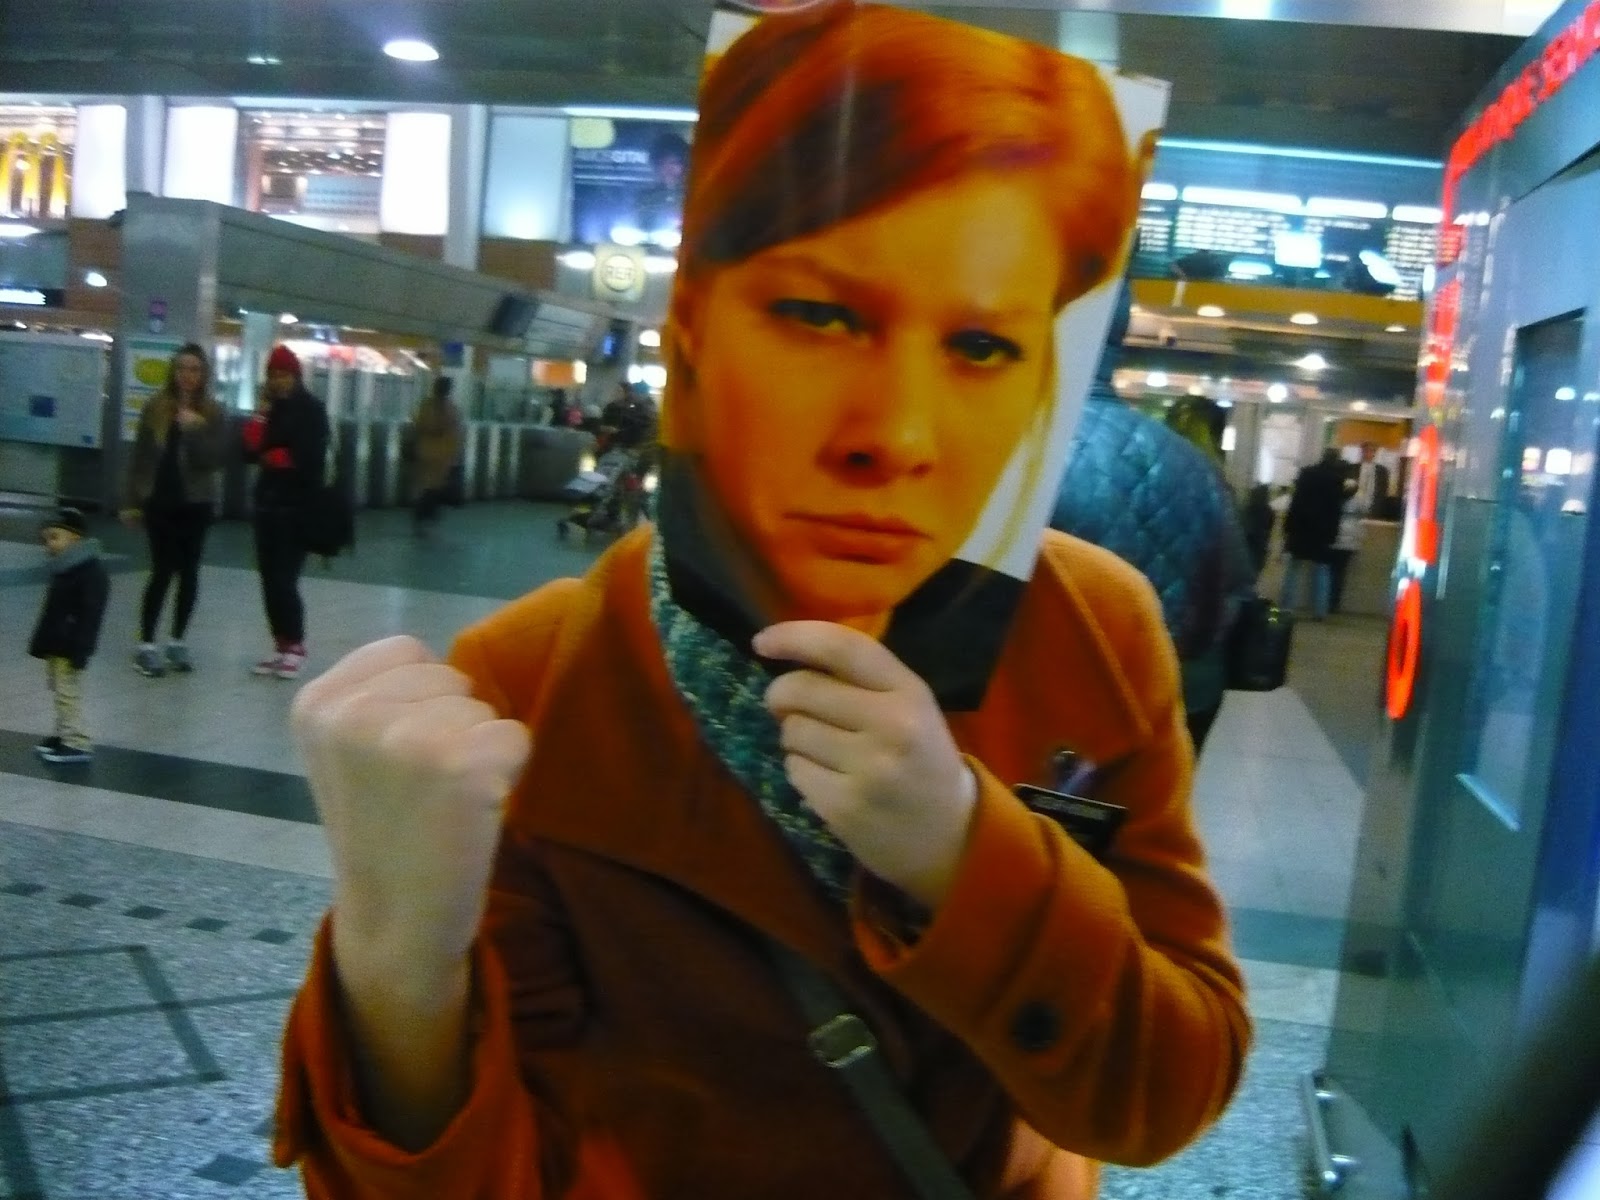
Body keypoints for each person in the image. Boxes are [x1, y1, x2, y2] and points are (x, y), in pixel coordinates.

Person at [275, 6, 1248, 1198]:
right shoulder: (536, 687)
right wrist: (394, 948)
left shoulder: (1087, 627)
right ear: (692, 331)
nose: (893, 436)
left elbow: (1164, 1091)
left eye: (982, 347)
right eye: (821, 316)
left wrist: (963, 852)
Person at [1052, 283, 1255, 757]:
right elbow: (1234, 590)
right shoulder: (1192, 463)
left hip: (1040, 708)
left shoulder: (1008, 445)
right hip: (1167, 698)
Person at [120, 342, 228, 677]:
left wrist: (195, 429)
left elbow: (213, 460)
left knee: (190, 571)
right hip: (160, 500)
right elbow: (141, 457)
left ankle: (177, 640)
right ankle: (146, 645)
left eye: (195, 369)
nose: (187, 375)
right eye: (182, 368)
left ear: (204, 374)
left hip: (196, 503)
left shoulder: (213, 412)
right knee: (162, 569)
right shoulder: (155, 407)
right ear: (173, 371)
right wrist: (131, 502)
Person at [242, 344, 328, 680]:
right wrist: (260, 414)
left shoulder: (312, 410)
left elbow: (309, 459)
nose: (279, 381)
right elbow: (249, 450)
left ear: (296, 376)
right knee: (267, 578)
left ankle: (296, 645)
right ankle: (280, 643)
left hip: (297, 508)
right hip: (267, 505)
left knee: (284, 578)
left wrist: (276, 457)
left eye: (284, 375)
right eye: (274, 375)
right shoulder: (271, 410)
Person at [29, 508, 110, 765]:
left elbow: (91, 616)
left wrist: (81, 648)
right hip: (57, 643)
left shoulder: (89, 573)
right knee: (60, 691)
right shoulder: (66, 568)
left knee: (67, 693)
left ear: (75, 538)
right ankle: (63, 733)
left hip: (69, 645)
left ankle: (76, 742)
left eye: (54, 537)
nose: (49, 544)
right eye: (46, 539)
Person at [1280, 448, 1349, 621]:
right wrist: (1333, 533)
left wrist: (1288, 527)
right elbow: (1336, 510)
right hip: (1323, 532)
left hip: (1302, 528)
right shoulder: (1337, 480)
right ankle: (1320, 611)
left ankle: (1286, 608)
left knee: (1293, 569)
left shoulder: (1307, 473)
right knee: (1322, 570)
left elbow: (1295, 502)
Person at [408, 377, 464, 535]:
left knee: (426, 488)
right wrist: (456, 454)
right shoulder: (451, 409)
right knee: (433, 489)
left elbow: (417, 427)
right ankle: (425, 517)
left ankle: (422, 518)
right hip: (441, 457)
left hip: (427, 453)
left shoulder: (426, 406)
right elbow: (454, 433)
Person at [1327, 491, 1365, 615]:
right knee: (1340, 575)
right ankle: (1334, 604)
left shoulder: (1334, 503)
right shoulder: (1358, 505)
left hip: (1333, 544)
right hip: (1348, 546)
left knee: (1329, 573)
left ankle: (1326, 601)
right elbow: (1360, 530)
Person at [1240, 484, 1276, 580]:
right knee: (1255, 571)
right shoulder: (1269, 511)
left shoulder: (1248, 509)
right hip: (1261, 544)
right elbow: (1269, 527)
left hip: (1248, 543)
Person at [1350, 441, 1391, 518]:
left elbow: (1383, 492)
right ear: (1362, 452)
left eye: (1371, 450)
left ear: (1374, 453)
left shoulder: (1382, 471)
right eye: (1366, 450)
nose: (1368, 453)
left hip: (1374, 508)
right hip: (1354, 507)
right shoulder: (1352, 468)